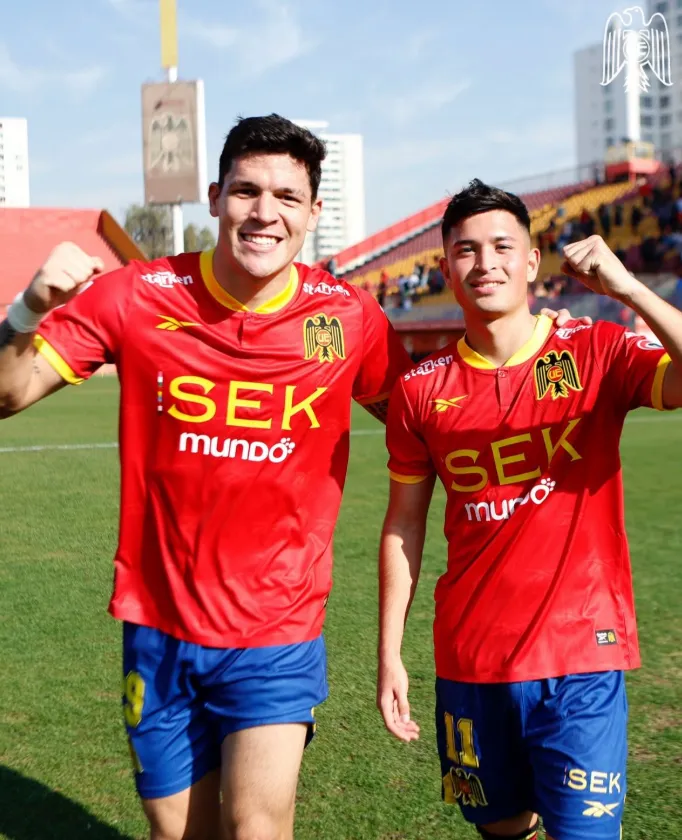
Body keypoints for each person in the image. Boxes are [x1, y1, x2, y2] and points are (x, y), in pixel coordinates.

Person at [0, 114, 414, 840]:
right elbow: (7, 394)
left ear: (314, 213)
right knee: (179, 835)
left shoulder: (348, 318)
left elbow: (423, 420)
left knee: (256, 825)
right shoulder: (137, 295)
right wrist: (30, 307)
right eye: (248, 191)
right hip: (158, 626)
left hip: (278, 627)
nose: (265, 213)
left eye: (288, 197)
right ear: (216, 197)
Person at [377, 179, 682, 840]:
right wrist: (389, 652)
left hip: (581, 656)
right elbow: (403, 525)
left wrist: (629, 290)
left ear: (530, 262)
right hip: (470, 660)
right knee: (502, 827)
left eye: (501, 246)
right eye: (465, 249)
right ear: (445, 267)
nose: (484, 262)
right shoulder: (420, 392)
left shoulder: (594, 351)